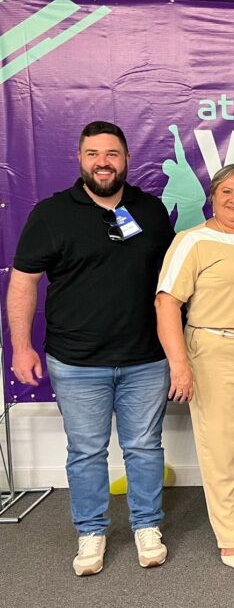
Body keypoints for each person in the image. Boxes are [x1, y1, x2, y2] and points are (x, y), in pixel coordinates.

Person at [6, 121, 175, 576]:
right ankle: (91, 532)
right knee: (85, 451)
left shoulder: (152, 210)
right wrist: (20, 347)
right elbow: (23, 283)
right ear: (80, 159)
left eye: (112, 154)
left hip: (145, 358)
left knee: (144, 447)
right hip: (76, 361)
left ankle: (146, 525)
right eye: (94, 154)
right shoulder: (52, 213)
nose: (103, 162)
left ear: (126, 158)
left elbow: (174, 286)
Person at [154, 164, 234, 570]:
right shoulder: (191, 241)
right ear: (213, 196)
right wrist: (179, 365)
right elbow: (166, 303)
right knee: (221, 446)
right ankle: (229, 536)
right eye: (226, 191)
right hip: (214, 350)